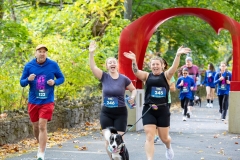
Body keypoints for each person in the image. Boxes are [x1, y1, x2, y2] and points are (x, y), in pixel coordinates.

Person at [124, 46, 191, 160]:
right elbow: (136, 72)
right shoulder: (146, 76)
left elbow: (174, 68)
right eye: (153, 64)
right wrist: (134, 60)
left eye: (157, 64)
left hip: (163, 110)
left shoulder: (166, 76)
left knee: (164, 138)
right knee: (150, 137)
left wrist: (178, 55)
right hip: (149, 109)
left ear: (162, 65)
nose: (155, 66)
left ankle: (168, 147)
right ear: (150, 66)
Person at [89, 41, 137, 159]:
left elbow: (134, 90)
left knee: (119, 141)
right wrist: (91, 53)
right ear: (107, 66)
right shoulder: (104, 77)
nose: (112, 64)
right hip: (106, 113)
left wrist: (132, 97)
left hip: (120, 113)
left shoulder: (123, 79)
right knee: (108, 140)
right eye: (109, 63)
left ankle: (121, 157)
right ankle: (112, 159)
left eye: (114, 62)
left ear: (117, 65)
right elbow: (93, 67)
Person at [20, 44, 65, 160]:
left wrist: (54, 82)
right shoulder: (29, 66)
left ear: (46, 53)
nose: (42, 53)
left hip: (47, 100)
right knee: (35, 127)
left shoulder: (53, 65)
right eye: (40, 51)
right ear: (35, 53)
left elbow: (61, 78)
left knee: (42, 125)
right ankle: (40, 144)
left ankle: (41, 152)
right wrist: (28, 79)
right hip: (33, 101)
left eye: (44, 51)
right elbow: (22, 82)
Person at [154, 58, 176, 143]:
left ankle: (165, 134)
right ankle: (155, 136)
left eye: (160, 64)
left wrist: (163, 87)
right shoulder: (153, 75)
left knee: (164, 119)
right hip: (154, 100)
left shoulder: (169, 75)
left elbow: (173, 88)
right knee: (154, 118)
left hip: (166, 101)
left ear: (163, 65)